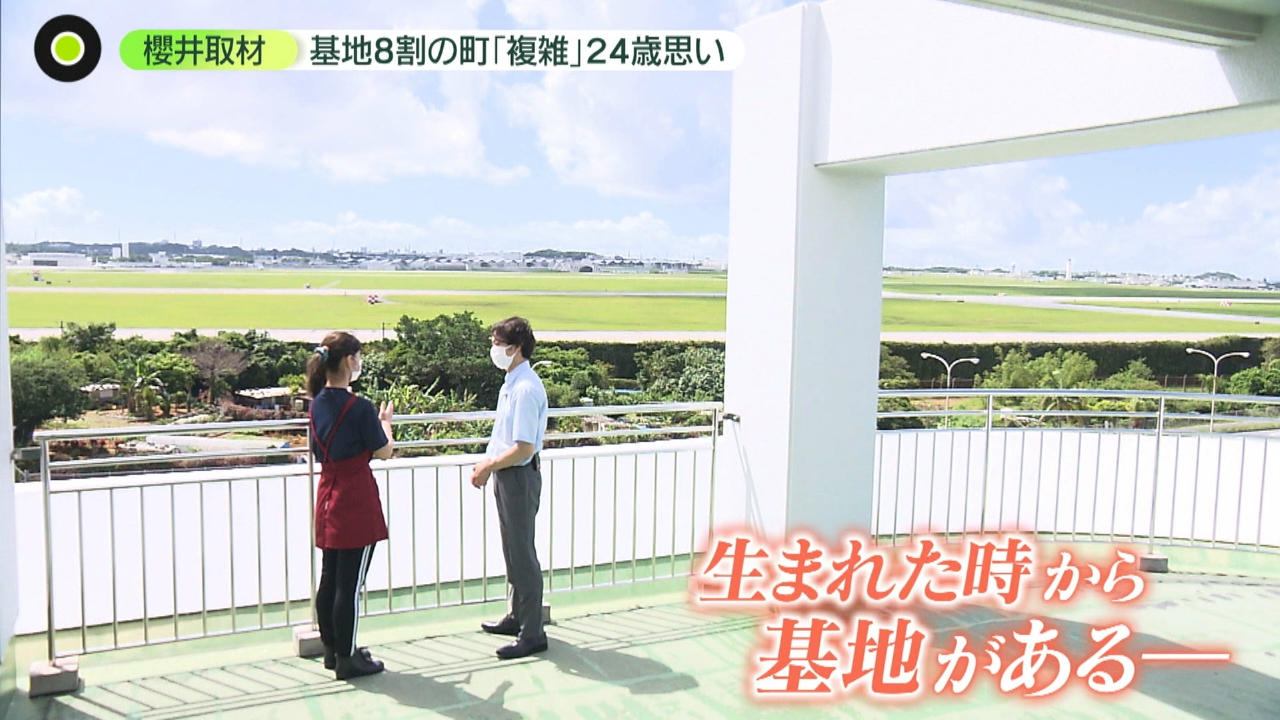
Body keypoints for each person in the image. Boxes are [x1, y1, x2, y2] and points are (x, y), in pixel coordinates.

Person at [307, 331, 393, 680]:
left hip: (328, 495)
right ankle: (348, 655)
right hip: (355, 496)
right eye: (358, 357)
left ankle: (331, 649)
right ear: (348, 361)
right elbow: (384, 450)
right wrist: (386, 424)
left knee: (330, 577)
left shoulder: (316, 403)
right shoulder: (359, 407)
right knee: (350, 584)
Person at [471, 317, 550, 659]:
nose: (493, 349)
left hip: (518, 476)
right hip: (508, 475)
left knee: (522, 554)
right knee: (512, 551)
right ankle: (517, 616)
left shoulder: (525, 389)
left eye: (497, 343)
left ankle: (532, 633)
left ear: (516, 348)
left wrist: (489, 466)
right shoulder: (512, 383)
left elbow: (523, 447)